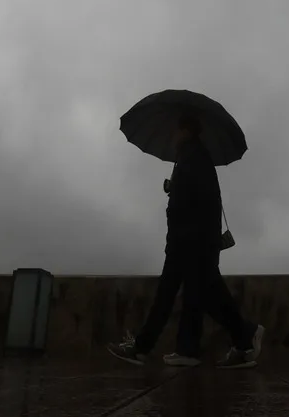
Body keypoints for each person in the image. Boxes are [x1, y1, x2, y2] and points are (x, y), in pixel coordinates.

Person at [108, 112, 265, 369]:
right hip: (195, 240)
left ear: (186, 131)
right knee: (200, 295)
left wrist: (176, 191)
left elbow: (192, 201)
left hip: (189, 241)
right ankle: (207, 345)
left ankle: (145, 348)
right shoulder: (193, 157)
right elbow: (195, 195)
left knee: (173, 293)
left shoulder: (193, 157)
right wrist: (175, 186)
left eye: (176, 130)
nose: (172, 135)